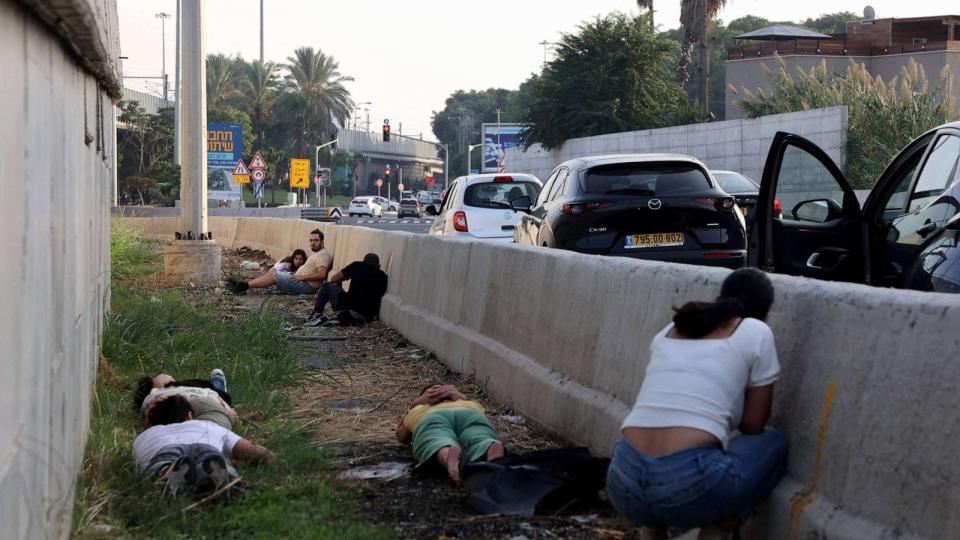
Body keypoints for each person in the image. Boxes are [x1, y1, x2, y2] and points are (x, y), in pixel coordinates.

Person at [606, 268, 787, 534]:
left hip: (623, 482)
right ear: (765, 315)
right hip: (687, 489)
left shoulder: (672, 329)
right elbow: (753, 426)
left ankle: (652, 531)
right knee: (772, 442)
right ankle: (720, 525)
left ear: (718, 299)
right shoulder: (757, 331)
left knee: (663, 470)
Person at [134, 395, 275, 495]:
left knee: (163, 462)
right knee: (209, 458)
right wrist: (236, 460)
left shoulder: (145, 436)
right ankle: (222, 473)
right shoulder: (206, 425)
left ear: (149, 423)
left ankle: (166, 472)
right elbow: (262, 455)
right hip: (205, 446)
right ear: (189, 416)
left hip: (166, 451)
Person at [395, 384, 505, 484]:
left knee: (437, 439)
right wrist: (459, 396)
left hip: (432, 416)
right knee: (479, 435)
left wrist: (414, 404)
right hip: (469, 413)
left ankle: (448, 455)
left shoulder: (419, 408)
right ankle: (490, 448)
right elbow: (479, 413)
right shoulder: (470, 403)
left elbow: (402, 435)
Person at [228, 230, 332, 295]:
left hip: (306, 286)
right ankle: (244, 285)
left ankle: (243, 287)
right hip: (298, 279)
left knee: (274, 274)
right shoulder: (316, 253)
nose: (312, 243)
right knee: (273, 272)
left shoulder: (323, 255)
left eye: (315, 240)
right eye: (311, 240)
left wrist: (302, 277)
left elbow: (321, 275)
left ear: (322, 242)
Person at [133, 370, 237, 430]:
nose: (166, 375)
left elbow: (149, 416)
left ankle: (218, 380)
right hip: (209, 398)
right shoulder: (155, 393)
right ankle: (218, 379)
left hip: (208, 399)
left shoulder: (154, 396)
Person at [304, 253, 388, 326]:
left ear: (363, 262)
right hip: (368, 315)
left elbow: (334, 279)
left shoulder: (356, 265)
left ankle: (317, 312)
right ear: (378, 266)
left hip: (349, 309)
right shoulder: (383, 276)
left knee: (327, 285)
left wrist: (341, 289)